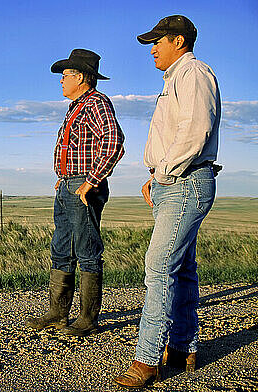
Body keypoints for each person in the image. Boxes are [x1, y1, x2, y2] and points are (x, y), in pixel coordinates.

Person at [114, 15, 221, 388]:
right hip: (174, 180)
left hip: (184, 181)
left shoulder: (193, 73)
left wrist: (163, 173)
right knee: (183, 268)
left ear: (178, 41)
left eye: (157, 42)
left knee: (159, 267)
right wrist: (156, 175)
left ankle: (147, 360)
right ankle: (182, 347)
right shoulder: (176, 78)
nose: (152, 49)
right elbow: (177, 134)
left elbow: (194, 131)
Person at [26, 49, 125, 337]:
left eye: (66, 75)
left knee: (87, 251)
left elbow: (114, 141)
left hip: (83, 186)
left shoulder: (97, 103)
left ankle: (87, 319)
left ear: (81, 77)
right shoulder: (76, 107)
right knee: (61, 249)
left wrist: (91, 180)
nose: (61, 81)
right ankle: (58, 314)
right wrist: (63, 178)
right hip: (68, 184)